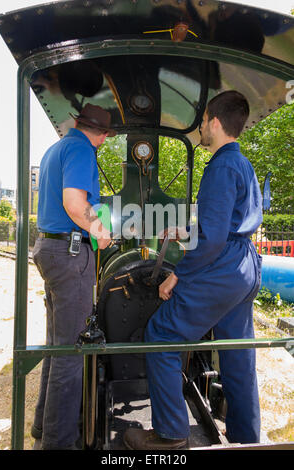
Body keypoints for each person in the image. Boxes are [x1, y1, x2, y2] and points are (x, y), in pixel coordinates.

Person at [124, 91, 263, 450]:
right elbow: (229, 224)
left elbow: (214, 240)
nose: (201, 128)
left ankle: (170, 433)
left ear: (214, 123)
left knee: (160, 336)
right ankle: (247, 439)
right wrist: (186, 231)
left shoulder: (219, 165)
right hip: (246, 266)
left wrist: (177, 274)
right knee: (237, 352)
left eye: (202, 123)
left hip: (223, 266)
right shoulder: (243, 164)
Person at [31, 104, 115, 450]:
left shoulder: (58, 148)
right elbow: (73, 203)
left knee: (57, 346)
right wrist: (102, 230)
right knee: (72, 352)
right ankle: (60, 443)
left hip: (49, 250)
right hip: (69, 255)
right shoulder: (82, 149)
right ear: (104, 137)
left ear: (79, 122)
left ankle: (42, 427)